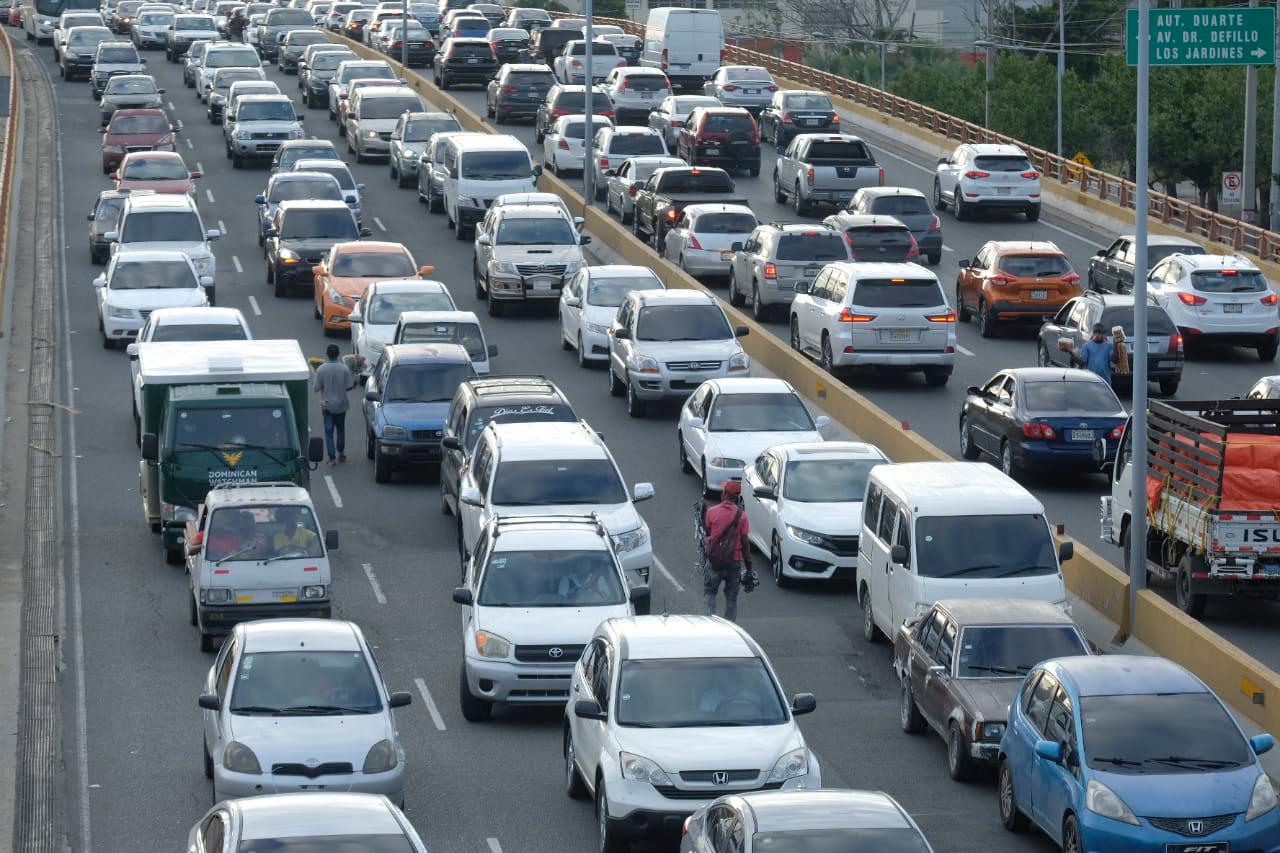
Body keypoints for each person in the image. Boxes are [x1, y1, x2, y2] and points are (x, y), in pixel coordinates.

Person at [702, 480, 751, 621]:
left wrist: (704, 512)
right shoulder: (742, 516)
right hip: (734, 562)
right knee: (731, 598)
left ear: (724, 494)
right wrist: (749, 568)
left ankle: (710, 621)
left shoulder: (712, 512)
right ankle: (730, 626)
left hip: (715, 561)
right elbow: (745, 544)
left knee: (710, 591)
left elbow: (708, 532)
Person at [314, 344, 355, 466]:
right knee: (340, 429)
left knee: (329, 431)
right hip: (341, 405)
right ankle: (341, 453)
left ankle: (332, 458)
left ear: (327, 354)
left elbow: (316, 387)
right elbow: (349, 386)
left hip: (327, 405)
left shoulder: (320, 369)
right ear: (338, 354)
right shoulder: (345, 368)